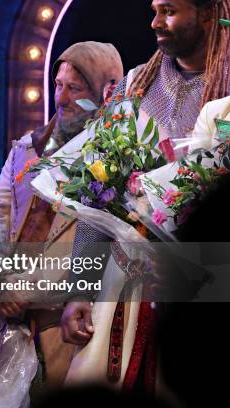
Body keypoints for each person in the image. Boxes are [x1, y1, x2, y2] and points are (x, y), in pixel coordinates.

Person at [61, 0, 230, 391]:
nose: (155, 22)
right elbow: (96, 189)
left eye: (169, 10)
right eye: (154, 9)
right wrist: (80, 287)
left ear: (207, 12)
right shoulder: (136, 85)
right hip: (123, 289)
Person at [0, 41, 123, 392]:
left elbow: (104, 245)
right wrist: (2, 284)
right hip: (19, 325)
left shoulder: (117, 160)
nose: (62, 98)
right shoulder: (27, 149)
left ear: (106, 92)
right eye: (58, 85)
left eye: (75, 88)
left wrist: (31, 289)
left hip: (76, 327)